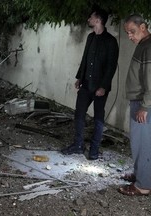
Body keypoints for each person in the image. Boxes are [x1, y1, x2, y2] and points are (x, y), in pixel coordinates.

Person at [61, 7, 119, 160]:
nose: (89, 19)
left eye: (91, 17)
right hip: (86, 84)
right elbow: (85, 58)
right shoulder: (90, 37)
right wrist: (80, 77)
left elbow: (111, 66)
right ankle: (78, 145)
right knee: (79, 114)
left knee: (98, 119)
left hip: (100, 87)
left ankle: (94, 150)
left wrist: (104, 87)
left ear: (98, 20)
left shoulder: (111, 41)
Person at [118, 14, 151, 196]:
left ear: (143, 27)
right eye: (127, 33)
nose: (130, 36)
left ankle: (143, 185)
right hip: (140, 101)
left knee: (143, 144)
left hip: (143, 103)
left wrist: (145, 106)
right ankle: (140, 175)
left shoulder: (149, 46)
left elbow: (150, 79)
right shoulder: (144, 45)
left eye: (132, 31)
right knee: (139, 143)